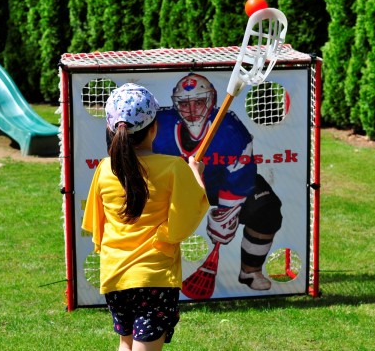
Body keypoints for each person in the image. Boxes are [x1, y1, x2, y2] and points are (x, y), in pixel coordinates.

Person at [82, 83, 209, 351]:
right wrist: (196, 172)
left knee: (126, 345)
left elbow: (96, 223)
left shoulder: (105, 169)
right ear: (154, 128)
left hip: (115, 276)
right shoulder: (174, 168)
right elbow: (189, 213)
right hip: (154, 277)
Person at [153, 73, 283, 292]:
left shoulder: (230, 128)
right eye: (184, 104)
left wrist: (228, 211)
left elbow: (240, 174)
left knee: (266, 208)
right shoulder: (160, 125)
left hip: (220, 184)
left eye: (199, 102)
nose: (192, 110)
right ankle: (152, 274)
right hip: (171, 186)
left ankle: (249, 271)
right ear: (176, 104)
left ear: (211, 101)